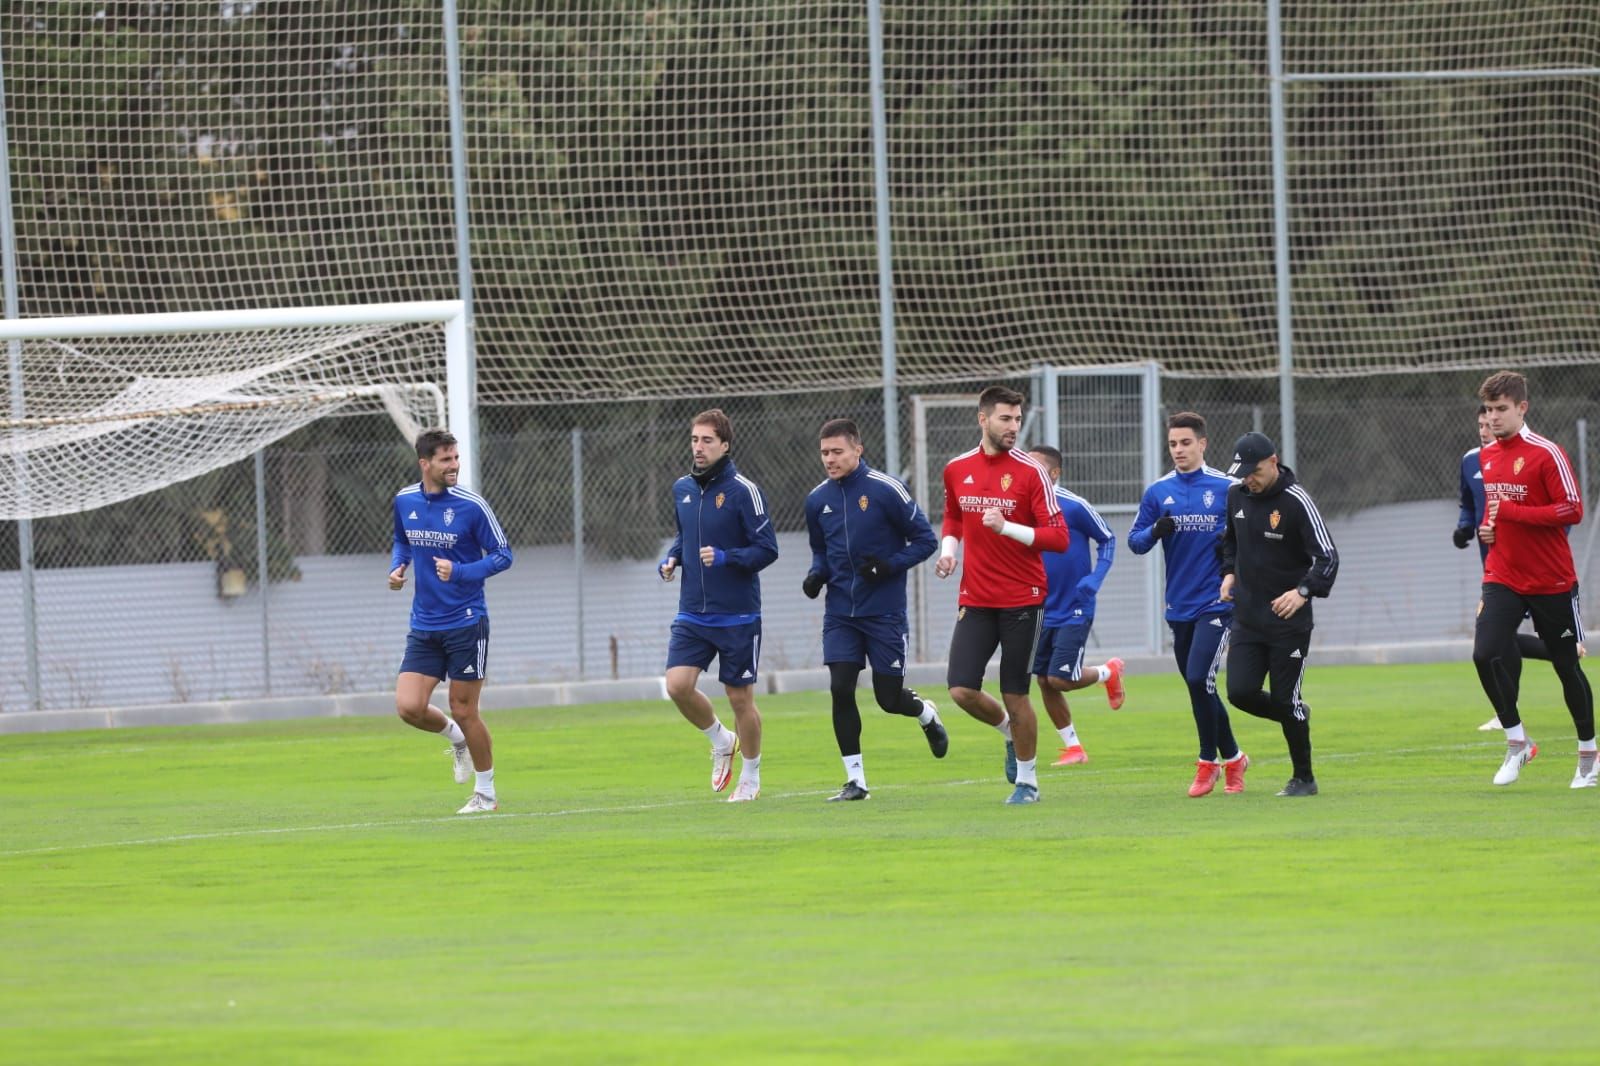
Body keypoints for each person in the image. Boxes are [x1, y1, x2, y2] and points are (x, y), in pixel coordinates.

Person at [935, 385, 1069, 804]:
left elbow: (1059, 538)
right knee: (960, 689)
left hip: (1023, 599)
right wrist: (948, 552)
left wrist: (1006, 527)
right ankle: (1010, 733)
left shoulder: (1031, 472)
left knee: (1016, 693)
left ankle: (1028, 782)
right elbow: (954, 514)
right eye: (1005, 419)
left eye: (1017, 419)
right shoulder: (957, 468)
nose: (1013, 426)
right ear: (983, 419)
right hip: (975, 596)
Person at [803, 418, 946, 801]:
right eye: (824, 453)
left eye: (837, 452)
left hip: (884, 613)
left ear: (857, 449)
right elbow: (820, 550)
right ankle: (856, 781)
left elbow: (925, 540)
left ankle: (926, 714)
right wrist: (816, 575)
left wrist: (887, 566)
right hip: (840, 615)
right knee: (840, 689)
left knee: (888, 698)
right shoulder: (817, 500)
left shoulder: (886, 490)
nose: (829, 459)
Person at [1471, 371, 1596, 788]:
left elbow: (1572, 509)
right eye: (1488, 411)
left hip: (1551, 579)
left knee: (1566, 667)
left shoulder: (1547, 453)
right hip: (1504, 574)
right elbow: (1495, 509)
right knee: (1484, 652)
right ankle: (1517, 741)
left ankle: (1588, 753)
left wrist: (1512, 514)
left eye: (1501, 410)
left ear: (1522, 408)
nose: (1493, 419)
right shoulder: (1486, 455)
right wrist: (1488, 529)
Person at [389, 428, 514, 814]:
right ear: (424, 464)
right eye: (445, 460)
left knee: (464, 707)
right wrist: (398, 567)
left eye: (456, 458)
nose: (454, 465)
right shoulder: (405, 500)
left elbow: (503, 554)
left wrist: (459, 572)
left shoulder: (471, 505)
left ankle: (486, 794)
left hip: (466, 620)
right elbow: (402, 539)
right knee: (409, 707)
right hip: (425, 623)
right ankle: (455, 738)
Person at [659, 408, 779, 802]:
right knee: (677, 686)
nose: (698, 447)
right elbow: (685, 535)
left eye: (707, 440)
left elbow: (767, 549)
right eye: (694, 439)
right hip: (693, 610)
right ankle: (721, 739)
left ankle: (752, 776)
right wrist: (673, 557)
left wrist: (727, 558)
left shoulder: (745, 490)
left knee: (740, 699)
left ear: (725, 445)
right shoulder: (682, 489)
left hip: (738, 614)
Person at [1128, 412, 1249, 797]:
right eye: (1172, 444)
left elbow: (1250, 540)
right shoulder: (1158, 492)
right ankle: (1234, 758)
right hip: (1178, 604)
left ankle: (1206, 762)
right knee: (1201, 686)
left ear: (1202, 444)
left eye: (1185, 443)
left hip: (1217, 602)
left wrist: (1231, 553)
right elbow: (1135, 542)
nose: (1178, 450)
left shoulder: (1229, 488)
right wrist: (1154, 530)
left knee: (1200, 678)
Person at [1219, 431, 1338, 797]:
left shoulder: (1296, 501)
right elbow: (1231, 542)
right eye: (1243, 474)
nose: (1248, 480)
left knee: (1286, 700)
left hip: (1289, 624)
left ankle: (1304, 778)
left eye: (1253, 472)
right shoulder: (1236, 495)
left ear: (1272, 462)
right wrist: (1229, 574)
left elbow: (1328, 557)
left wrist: (1302, 592)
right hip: (1248, 618)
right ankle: (1296, 714)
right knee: (1240, 692)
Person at [1455, 404, 1570, 731]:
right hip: (1496, 567)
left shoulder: (1532, 457)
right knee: (1494, 641)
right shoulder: (1471, 461)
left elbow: (1564, 512)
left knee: (1499, 641)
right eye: (1481, 422)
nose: (1485, 428)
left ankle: (1561, 650)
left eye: (1491, 421)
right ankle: (1512, 716)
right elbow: (1468, 504)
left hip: (1537, 567)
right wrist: (1465, 527)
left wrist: (1545, 541)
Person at [1024, 445, 1124, 766]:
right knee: (1042, 679)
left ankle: (1108, 672)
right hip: (1038, 606)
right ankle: (1074, 748)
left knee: (1059, 679)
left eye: (1037, 468)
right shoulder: (1022, 509)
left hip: (1074, 607)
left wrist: (1096, 578)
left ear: (1054, 473)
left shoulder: (1074, 506)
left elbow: (1107, 537)